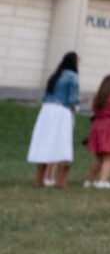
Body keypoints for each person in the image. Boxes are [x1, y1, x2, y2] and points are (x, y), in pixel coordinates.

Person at [28, 51, 80, 188]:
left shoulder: (54, 76)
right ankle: (61, 181)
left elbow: (46, 95)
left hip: (46, 110)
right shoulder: (73, 76)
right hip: (61, 110)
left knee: (44, 140)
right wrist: (81, 101)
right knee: (62, 142)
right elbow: (72, 98)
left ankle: (39, 180)